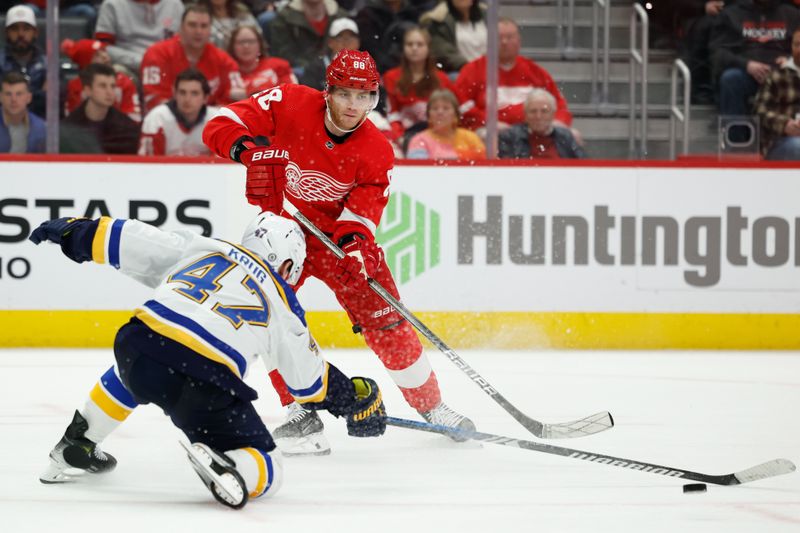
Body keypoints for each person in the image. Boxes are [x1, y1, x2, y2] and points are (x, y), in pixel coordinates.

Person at [202, 48, 474, 456]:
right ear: (327, 91)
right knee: (271, 316)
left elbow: (363, 214)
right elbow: (221, 123)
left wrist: (355, 247)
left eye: (365, 96)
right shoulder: (290, 102)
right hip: (284, 233)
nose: (354, 106)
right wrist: (249, 151)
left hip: (339, 245)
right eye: (346, 94)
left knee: (388, 324)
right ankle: (299, 410)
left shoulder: (377, 150)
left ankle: (432, 407)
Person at [32, 212, 387, 509]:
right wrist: (354, 397)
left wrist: (75, 232)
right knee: (270, 469)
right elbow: (310, 382)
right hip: (202, 377)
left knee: (133, 372)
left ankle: (77, 442)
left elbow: (133, 241)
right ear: (288, 261)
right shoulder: (283, 302)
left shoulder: (203, 247)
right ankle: (231, 462)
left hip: (137, 343)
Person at [454, 18, 576, 138]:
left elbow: (558, 104)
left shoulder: (535, 71)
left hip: (533, 132)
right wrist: (488, 122)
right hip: (490, 132)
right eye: (499, 38)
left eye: (510, 37)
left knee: (572, 135)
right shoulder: (473, 70)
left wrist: (559, 121)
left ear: (519, 41)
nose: (504, 42)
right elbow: (462, 105)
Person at [140, 3, 246, 114]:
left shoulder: (224, 61)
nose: (198, 31)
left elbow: (237, 102)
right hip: (167, 123)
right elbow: (153, 101)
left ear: (210, 29)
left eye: (204, 26)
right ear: (181, 27)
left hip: (212, 124)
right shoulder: (157, 54)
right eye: (192, 25)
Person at [710, 0, 800, 126]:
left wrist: (791, 59)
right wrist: (746, 64)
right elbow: (718, 52)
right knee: (730, 79)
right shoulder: (731, 14)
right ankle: (736, 143)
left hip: (784, 76)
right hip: (746, 73)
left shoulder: (793, 14)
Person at [383, 25, 454, 141]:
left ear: (428, 48)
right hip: (405, 135)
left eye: (420, 44)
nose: (414, 48)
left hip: (437, 135)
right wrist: (400, 137)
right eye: (409, 44)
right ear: (404, 48)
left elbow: (452, 112)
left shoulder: (442, 79)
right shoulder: (391, 77)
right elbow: (392, 113)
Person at [60, 63, 140, 154]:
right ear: (88, 90)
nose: (109, 92)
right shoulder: (69, 127)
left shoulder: (128, 130)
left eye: (113, 86)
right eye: (103, 86)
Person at [139, 69, 219, 156]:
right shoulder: (157, 119)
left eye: (194, 93)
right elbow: (149, 164)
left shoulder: (217, 120)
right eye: (182, 92)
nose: (187, 99)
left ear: (205, 98)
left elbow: (223, 165)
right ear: (174, 94)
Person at [62, 38, 142, 123]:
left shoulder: (124, 82)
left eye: (103, 50)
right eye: (96, 55)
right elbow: (72, 123)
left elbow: (133, 119)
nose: (104, 56)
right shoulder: (75, 86)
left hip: (120, 132)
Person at [94, 0, 185, 73]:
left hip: (167, 67)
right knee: (116, 72)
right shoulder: (111, 4)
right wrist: (142, 61)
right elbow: (103, 48)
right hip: (128, 66)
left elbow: (184, 44)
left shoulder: (175, 4)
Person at [498, 88, 587, 160]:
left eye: (544, 111)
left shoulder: (565, 136)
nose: (538, 116)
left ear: (553, 114)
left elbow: (583, 166)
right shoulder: (510, 136)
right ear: (525, 115)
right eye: (533, 111)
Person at [754, 27, 800, 160]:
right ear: (791, 46)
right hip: (781, 141)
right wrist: (785, 124)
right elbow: (759, 111)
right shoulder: (776, 75)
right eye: (797, 44)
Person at [355, 0, 435, 73]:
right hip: (379, 73)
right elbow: (371, 50)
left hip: (413, 70)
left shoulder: (413, 13)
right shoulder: (367, 15)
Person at [268, 0, 349, 71]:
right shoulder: (284, 18)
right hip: (299, 70)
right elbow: (282, 52)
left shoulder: (341, 16)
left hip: (336, 69)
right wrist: (312, 68)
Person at [405, 88, 484, 159]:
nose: (440, 112)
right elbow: (419, 170)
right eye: (435, 108)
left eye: (446, 108)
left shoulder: (470, 138)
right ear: (429, 115)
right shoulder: (419, 140)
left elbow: (484, 164)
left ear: (456, 114)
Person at [0, 5, 46, 117]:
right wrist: (39, 94)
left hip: (40, 125)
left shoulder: (47, 64)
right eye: (15, 29)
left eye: (26, 29)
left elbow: (52, 102)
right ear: (7, 33)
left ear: (35, 32)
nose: (20, 34)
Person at [420, 0, 486, 73]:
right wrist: (469, 68)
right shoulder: (439, 21)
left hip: (488, 67)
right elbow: (444, 52)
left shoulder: (487, 15)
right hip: (459, 70)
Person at [229, 24, 297, 96]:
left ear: (260, 44)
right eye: (240, 42)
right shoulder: (226, 71)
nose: (246, 46)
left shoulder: (278, 65)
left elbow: (290, 93)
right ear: (232, 46)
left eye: (251, 41)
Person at [299, 17, 360, 90]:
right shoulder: (315, 67)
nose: (346, 42)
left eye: (351, 38)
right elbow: (308, 95)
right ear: (330, 42)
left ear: (358, 42)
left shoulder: (368, 68)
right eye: (340, 37)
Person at [0, 71, 45, 153]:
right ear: (1, 97)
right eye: (8, 94)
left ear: (29, 97)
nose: (13, 99)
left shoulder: (41, 129)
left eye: (19, 94)